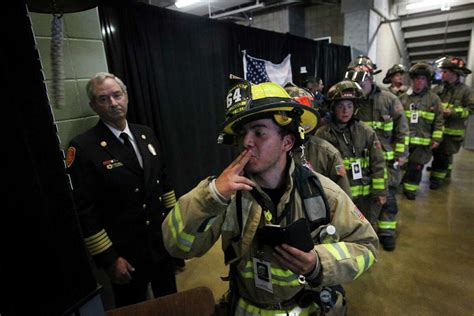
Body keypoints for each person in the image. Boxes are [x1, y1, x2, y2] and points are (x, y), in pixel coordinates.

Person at [162, 80, 378, 315]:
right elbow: (177, 247)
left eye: (259, 132)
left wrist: (318, 263)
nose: (246, 141)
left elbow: (366, 246)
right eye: (243, 133)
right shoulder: (225, 195)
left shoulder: (325, 193)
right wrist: (211, 196)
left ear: (287, 141)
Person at [66, 72, 178, 307]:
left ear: (126, 96)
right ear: (93, 106)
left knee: (170, 302)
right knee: (132, 307)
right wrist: (109, 259)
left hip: (160, 242)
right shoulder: (84, 147)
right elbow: (85, 212)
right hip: (125, 252)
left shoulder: (145, 133)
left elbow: (164, 183)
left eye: (117, 95)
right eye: (103, 99)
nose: (113, 103)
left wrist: (174, 229)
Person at [345, 55, 409, 251]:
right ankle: (366, 231)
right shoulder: (351, 101)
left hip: (386, 163)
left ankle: (387, 231)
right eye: (355, 80)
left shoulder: (389, 100)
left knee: (387, 198)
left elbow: (402, 129)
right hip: (362, 164)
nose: (359, 84)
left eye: (363, 79)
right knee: (366, 200)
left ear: (372, 78)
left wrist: (401, 153)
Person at [316, 80, 387, 228]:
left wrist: (380, 191)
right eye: (340, 106)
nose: (345, 111)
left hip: (365, 198)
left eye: (349, 106)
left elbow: (378, 163)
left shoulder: (366, 132)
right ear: (332, 108)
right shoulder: (322, 136)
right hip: (338, 198)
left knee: (364, 230)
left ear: (355, 107)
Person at [284, 83, 352, 197]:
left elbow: (344, 201)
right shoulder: (268, 151)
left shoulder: (327, 153)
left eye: (301, 116)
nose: (296, 122)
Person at [399, 63, 444, 200]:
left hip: (423, 144)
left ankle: (410, 189)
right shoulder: (403, 98)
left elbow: (439, 121)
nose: (419, 82)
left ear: (427, 81)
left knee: (416, 167)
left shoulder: (434, 99)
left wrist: (436, 139)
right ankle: (403, 183)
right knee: (403, 166)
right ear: (412, 80)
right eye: (417, 78)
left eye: (423, 79)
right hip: (405, 141)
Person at [430, 56, 474, 189]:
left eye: (445, 72)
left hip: (452, 132)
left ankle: (437, 179)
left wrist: (452, 112)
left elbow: (471, 109)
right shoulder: (438, 89)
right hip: (437, 130)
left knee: (444, 156)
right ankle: (441, 172)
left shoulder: (465, 91)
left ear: (455, 73)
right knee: (438, 155)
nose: (442, 74)